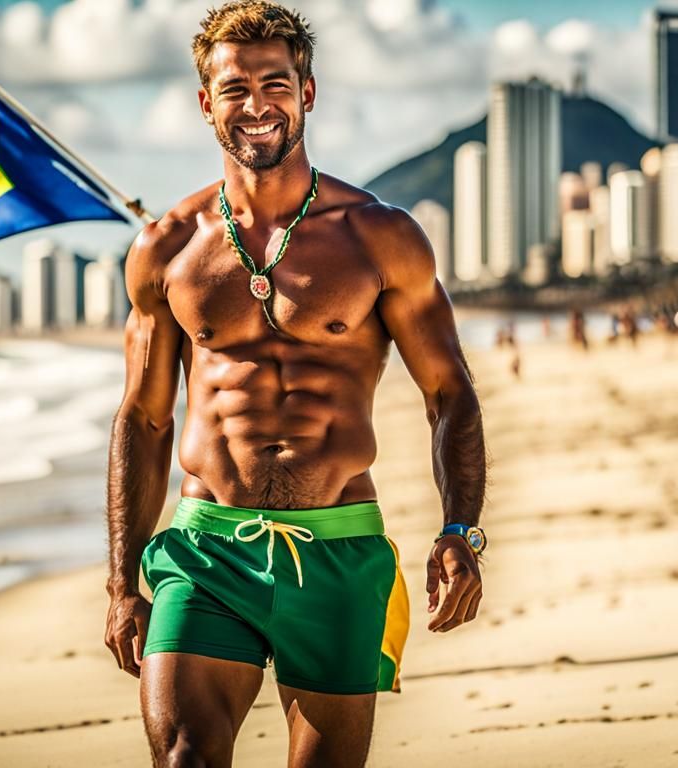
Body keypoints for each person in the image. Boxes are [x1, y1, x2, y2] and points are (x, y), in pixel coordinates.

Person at [102, 3, 487, 766]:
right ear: (205, 101)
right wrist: (121, 581)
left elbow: (450, 392)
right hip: (208, 550)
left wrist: (459, 529)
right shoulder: (167, 250)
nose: (256, 105)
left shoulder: (379, 236)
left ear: (307, 92)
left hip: (338, 550)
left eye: (274, 83)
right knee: (185, 757)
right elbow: (144, 420)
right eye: (233, 87)